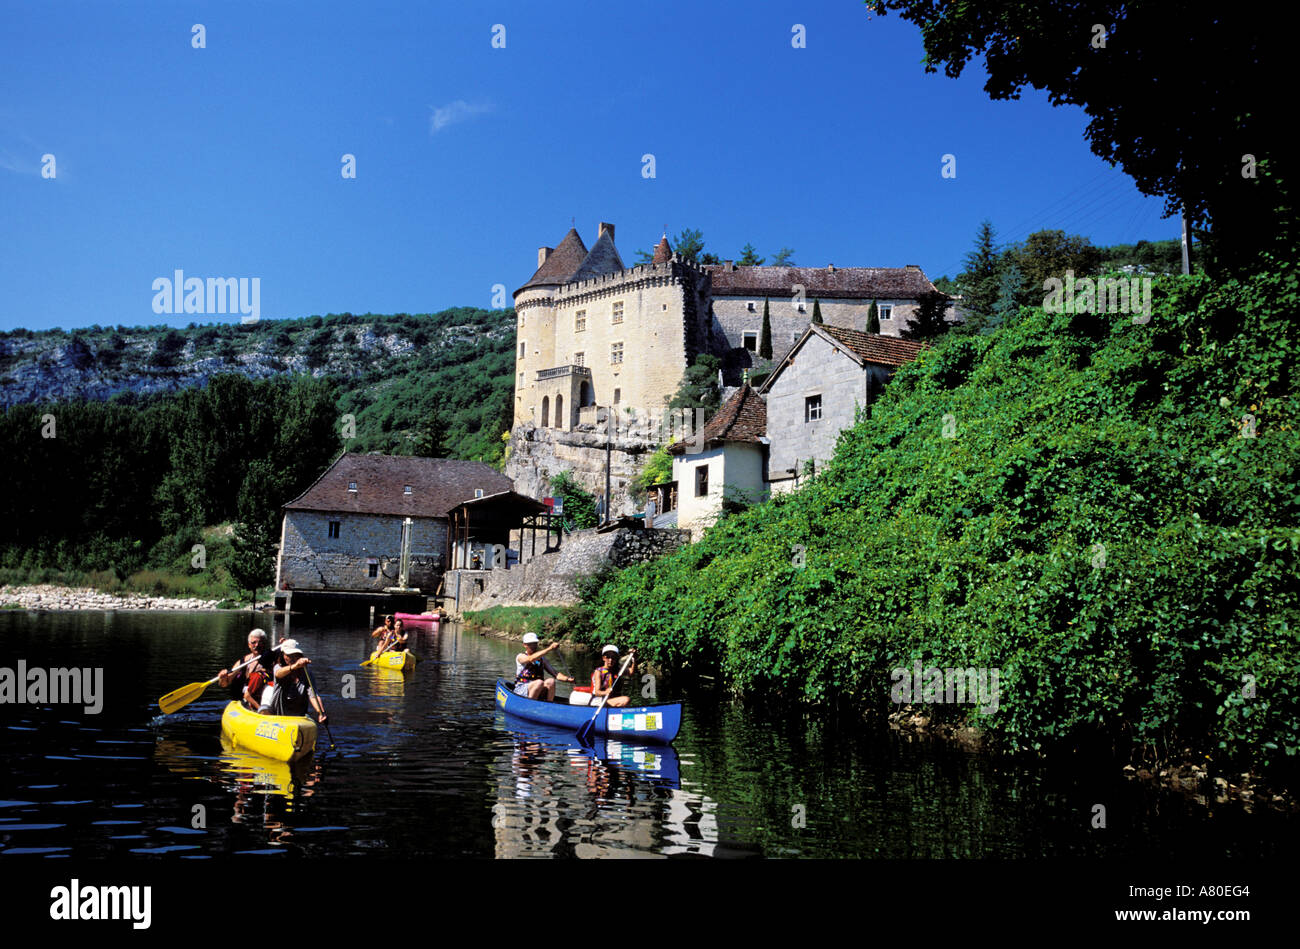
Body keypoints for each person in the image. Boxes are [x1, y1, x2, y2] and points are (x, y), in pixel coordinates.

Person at [272, 639, 328, 724]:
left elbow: (313, 696)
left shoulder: (307, 673)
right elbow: (278, 674)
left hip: (298, 719)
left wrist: (321, 712)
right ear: (284, 656)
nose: (294, 658)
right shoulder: (278, 668)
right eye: (290, 655)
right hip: (279, 717)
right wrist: (295, 666)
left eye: (296, 655)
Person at [218, 630, 276, 702]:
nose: (257, 645)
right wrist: (222, 678)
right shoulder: (243, 661)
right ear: (249, 645)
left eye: (260, 642)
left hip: (263, 699)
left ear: (265, 644)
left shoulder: (273, 658)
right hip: (245, 699)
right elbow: (224, 684)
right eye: (253, 642)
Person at [513, 632, 573, 701]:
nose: (533, 646)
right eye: (530, 644)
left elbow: (555, 674)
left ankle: (549, 704)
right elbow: (531, 659)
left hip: (538, 687)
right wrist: (549, 648)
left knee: (551, 681)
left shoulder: (542, 659)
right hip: (521, 689)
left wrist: (567, 679)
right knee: (539, 682)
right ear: (524, 645)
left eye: (535, 643)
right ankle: (530, 705)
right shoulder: (521, 656)